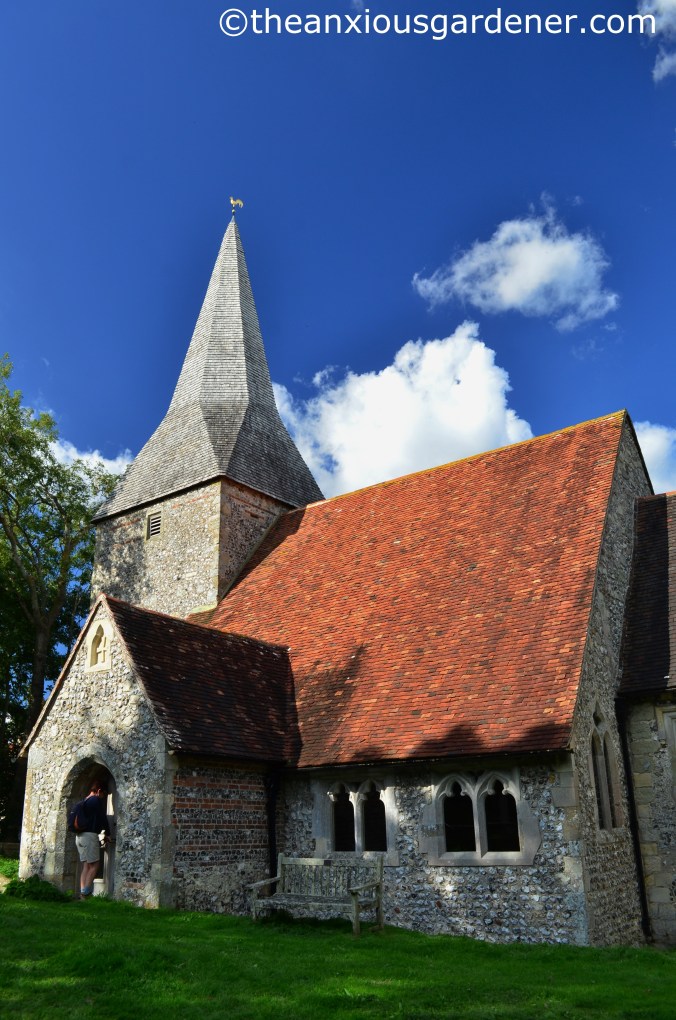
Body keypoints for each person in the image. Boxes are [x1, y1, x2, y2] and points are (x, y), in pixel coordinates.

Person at [75, 781, 112, 899]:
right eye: (104, 794)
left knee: (86, 866)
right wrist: (108, 833)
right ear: (99, 790)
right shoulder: (95, 800)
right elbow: (102, 817)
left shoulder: (85, 800)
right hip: (90, 836)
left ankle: (82, 893)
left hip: (80, 836)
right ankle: (86, 893)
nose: (103, 797)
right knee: (95, 865)